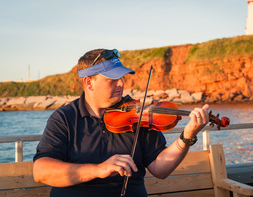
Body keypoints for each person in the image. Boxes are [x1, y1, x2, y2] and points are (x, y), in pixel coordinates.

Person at [33, 48, 209, 197]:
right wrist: (99, 169)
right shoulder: (64, 118)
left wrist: (187, 135)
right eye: (112, 79)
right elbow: (41, 171)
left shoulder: (136, 114)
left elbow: (160, 169)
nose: (121, 84)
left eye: (122, 78)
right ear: (89, 82)